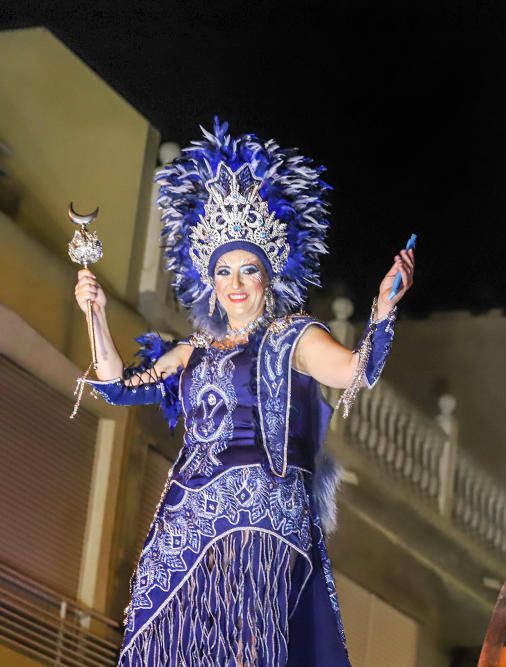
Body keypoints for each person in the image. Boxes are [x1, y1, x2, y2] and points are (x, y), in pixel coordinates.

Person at [73, 119, 415, 665]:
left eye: (248, 269)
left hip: (261, 514)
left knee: (247, 643)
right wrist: (94, 313)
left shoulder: (292, 336)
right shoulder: (193, 349)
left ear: (268, 277)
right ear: (210, 280)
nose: (235, 283)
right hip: (186, 518)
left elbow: (353, 371)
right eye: (224, 270)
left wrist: (381, 312)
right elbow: (116, 386)